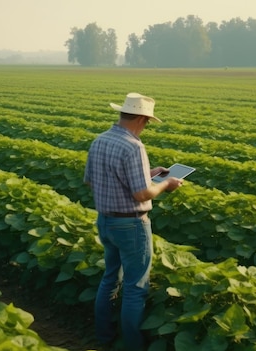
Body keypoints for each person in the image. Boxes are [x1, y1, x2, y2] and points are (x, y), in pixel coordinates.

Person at [84, 92, 183, 350]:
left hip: (105, 221)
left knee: (110, 279)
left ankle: (104, 337)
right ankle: (133, 346)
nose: (146, 127)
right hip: (131, 225)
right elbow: (142, 193)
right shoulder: (133, 146)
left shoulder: (100, 140)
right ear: (141, 119)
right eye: (147, 122)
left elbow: (92, 180)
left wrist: (148, 173)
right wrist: (166, 185)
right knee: (135, 288)